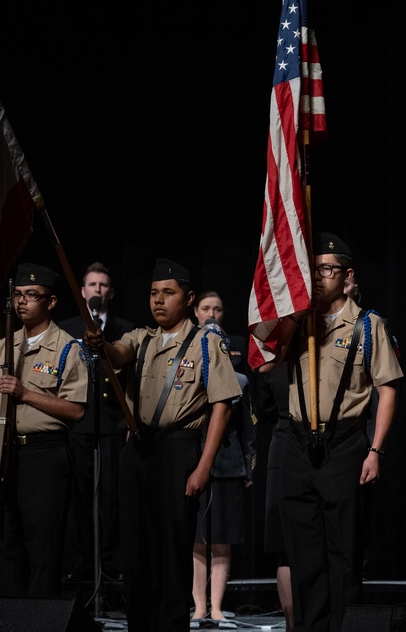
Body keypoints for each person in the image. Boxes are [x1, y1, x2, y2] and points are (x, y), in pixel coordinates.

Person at [252, 232, 403, 632]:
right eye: (312, 269)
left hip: (344, 443)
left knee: (343, 552)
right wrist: (288, 318)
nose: (317, 277)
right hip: (297, 443)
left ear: (347, 274)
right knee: (304, 552)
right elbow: (265, 365)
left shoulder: (368, 326)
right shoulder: (300, 325)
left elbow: (387, 388)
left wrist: (375, 450)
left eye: (326, 269)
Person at [84, 258, 239, 632]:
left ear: (187, 298)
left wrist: (203, 466)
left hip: (179, 447)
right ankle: (141, 624)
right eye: (153, 293)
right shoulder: (142, 338)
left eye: (167, 293)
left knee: (172, 549)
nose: (158, 300)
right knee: (136, 549)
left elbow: (222, 406)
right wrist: (102, 344)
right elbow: (119, 354)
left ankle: (171, 625)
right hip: (138, 449)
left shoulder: (206, 342)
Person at [0, 263, 89, 596]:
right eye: (18, 295)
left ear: (51, 302)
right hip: (4, 454)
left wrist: (25, 393)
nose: (22, 302)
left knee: (42, 543)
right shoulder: (3, 347)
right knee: (5, 542)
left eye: (32, 295)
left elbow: (75, 409)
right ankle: (6, 618)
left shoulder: (67, 348)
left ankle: (38, 619)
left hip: (44, 454)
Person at [58, 262, 135, 583]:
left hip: (111, 424)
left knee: (111, 498)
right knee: (80, 497)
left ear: (111, 293)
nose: (97, 290)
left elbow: (132, 379)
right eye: (92, 285)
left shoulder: (124, 330)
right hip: (78, 424)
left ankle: (110, 564)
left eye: (103, 285)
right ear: (82, 291)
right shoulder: (67, 329)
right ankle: (84, 566)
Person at [191, 291, 257, 629]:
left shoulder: (240, 379)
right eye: (206, 308)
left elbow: (248, 428)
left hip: (229, 465)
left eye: (218, 308)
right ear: (195, 312)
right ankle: (199, 607)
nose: (212, 314)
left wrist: (249, 466)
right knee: (197, 539)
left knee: (221, 539)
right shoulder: (187, 371)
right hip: (193, 464)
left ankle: (217, 607)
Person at [254, 364, 294, 631]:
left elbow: (263, 410)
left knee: (285, 550)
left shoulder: (272, 363)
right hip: (307, 444)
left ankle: (293, 625)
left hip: (283, 442)